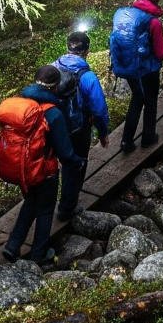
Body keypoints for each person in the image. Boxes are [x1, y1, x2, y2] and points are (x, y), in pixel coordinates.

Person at [2, 66, 85, 264]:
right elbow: (65, 152)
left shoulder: (21, 103)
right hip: (45, 170)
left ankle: (13, 246)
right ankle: (39, 254)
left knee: (30, 203)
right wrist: (77, 161)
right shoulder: (53, 113)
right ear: (55, 87)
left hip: (23, 167)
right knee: (46, 210)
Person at [111, 0, 163, 152]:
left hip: (129, 67)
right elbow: (161, 53)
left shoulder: (126, 14)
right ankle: (148, 137)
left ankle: (126, 141)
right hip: (147, 69)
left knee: (137, 98)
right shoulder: (153, 22)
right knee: (151, 102)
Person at [52, 31, 111, 221]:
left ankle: (51, 203)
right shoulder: (87, 76)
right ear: (87, 50)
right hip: (77, 128)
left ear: (67, 47)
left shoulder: (52, 68)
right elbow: (99, 108)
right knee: (76, 165)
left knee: (57, 164)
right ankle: (67, 208)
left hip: (53, 126)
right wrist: (103, 132)